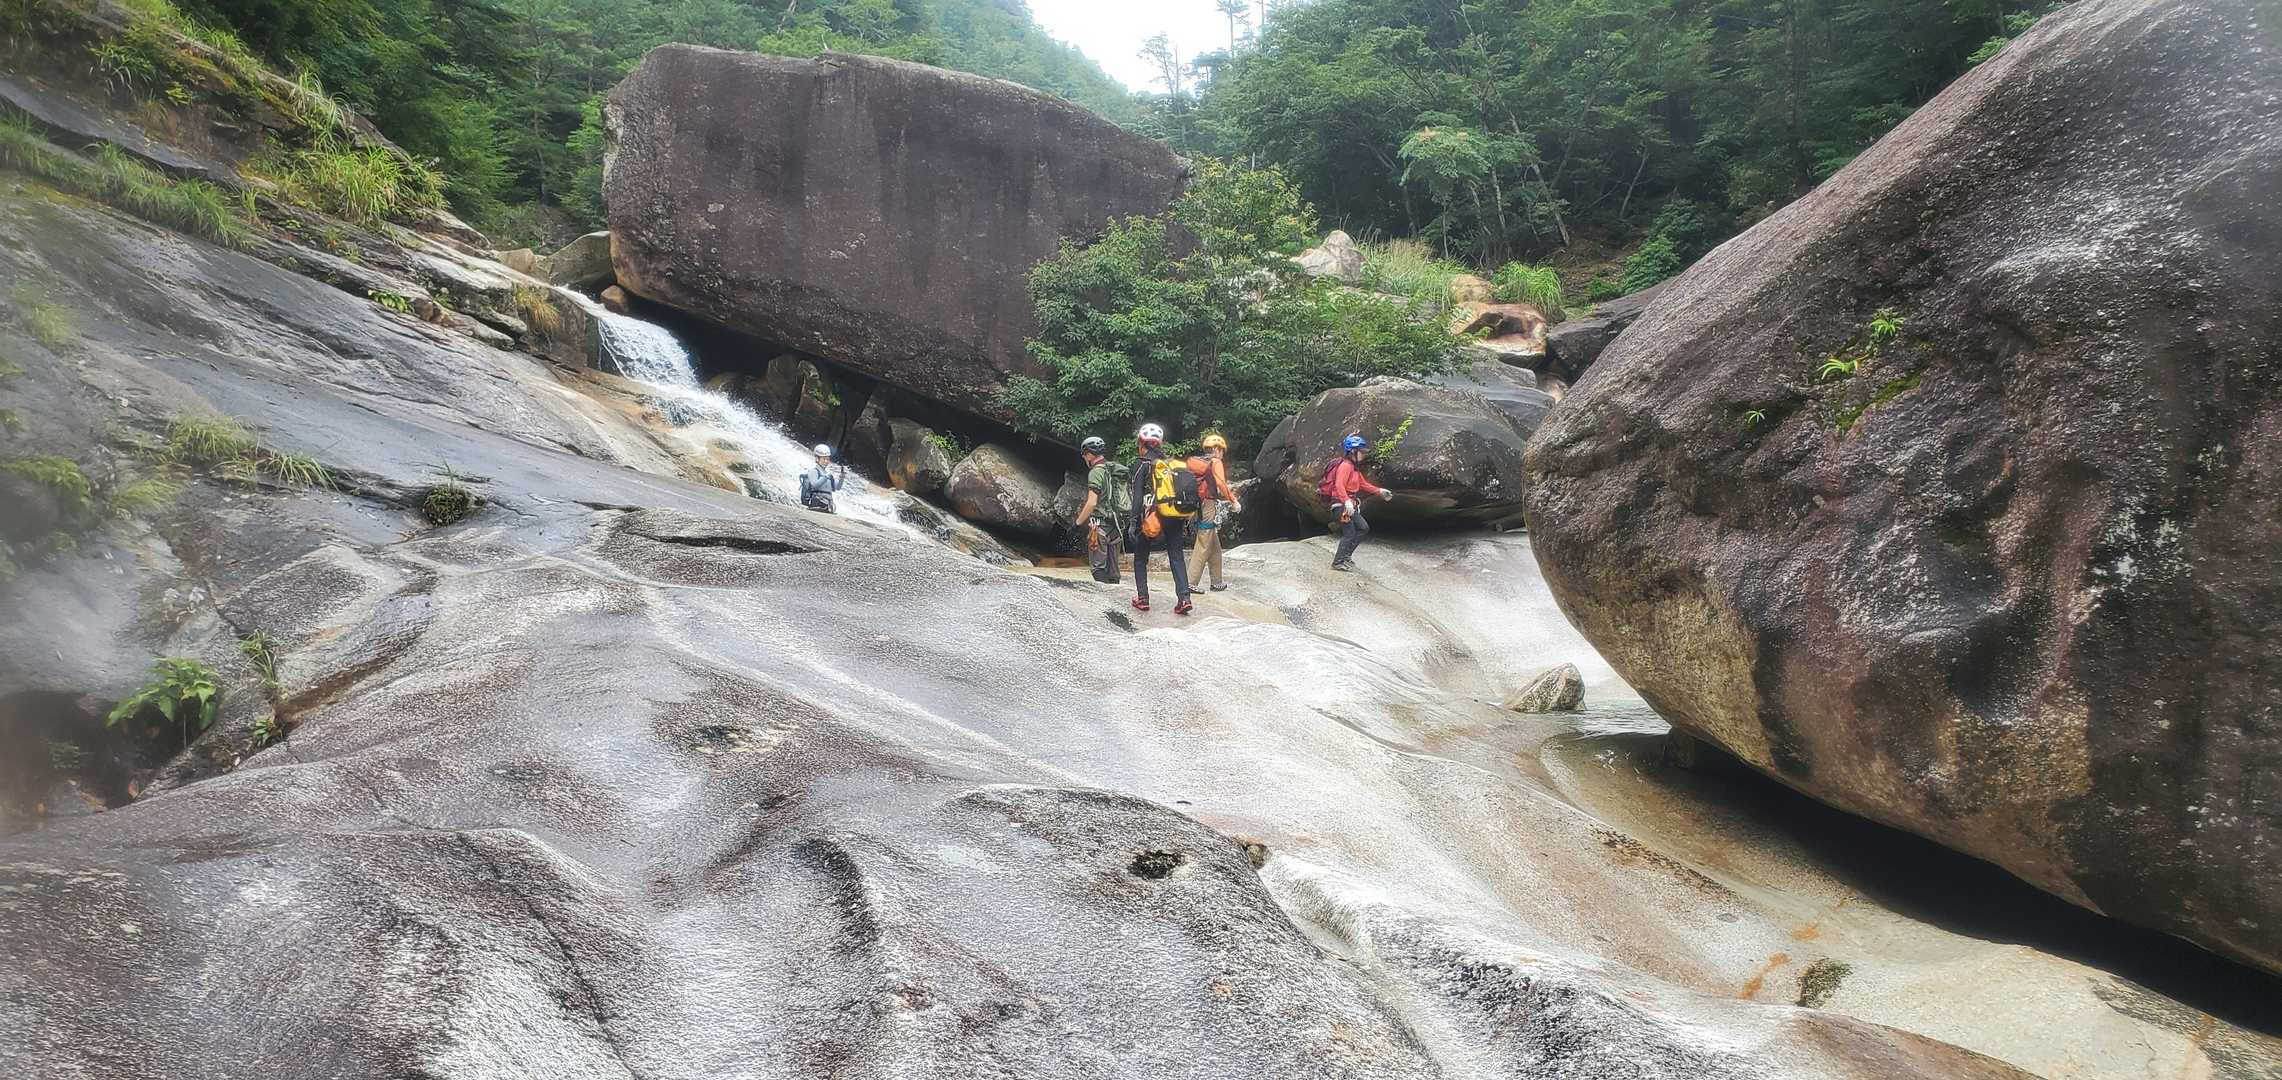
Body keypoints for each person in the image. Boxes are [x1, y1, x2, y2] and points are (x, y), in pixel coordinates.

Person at [1127, 422, 1194, 615]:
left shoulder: (1142, 464)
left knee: (1141, 557)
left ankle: (1143, 598)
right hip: (1173, 513)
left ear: (1141, 443)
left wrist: (1133, 522)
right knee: (1176, 556)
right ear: (1160, 443)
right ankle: (1184, 598)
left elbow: (1137, 497)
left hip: (1151, 516)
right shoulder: (1171, 464)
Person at [1324, 434, 1395, 572]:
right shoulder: (1345, 466)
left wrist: (1380, 491)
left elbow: (1363, 484)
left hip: (1349, 505)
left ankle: (1346, 556)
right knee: (1349, 533)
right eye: (1361, 451)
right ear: (1353, 451)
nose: (1363, 454)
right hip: (1341, 506)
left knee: (1363, 528)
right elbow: (1339, 485)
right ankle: (1338, 562)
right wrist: (1346, 501)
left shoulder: (1354, 468)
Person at [1185, 433, 1241, 592]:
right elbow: (1221, 483)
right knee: (1204, 541)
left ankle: (1216, 581)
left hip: (1198, 505)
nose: (1222, 454)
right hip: (1208, 505)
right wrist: (1233, 501)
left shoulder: (1198, 462)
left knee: (1214, 544)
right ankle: (1190, 582)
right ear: (1217, 449)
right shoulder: (1215, 462)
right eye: (1222, 450)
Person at [1071, 436, 1124, 584]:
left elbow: (1092, 502)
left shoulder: (1096, 472)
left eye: (1084, 455)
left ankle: (1102, 598)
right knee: (1113, 572)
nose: (1084, 458)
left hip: (1100, 526)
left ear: (1089, 454)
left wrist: (1077, 524)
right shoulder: (1114, 468)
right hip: (1117, 525)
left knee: (1098, 569)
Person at [798, 443, 843, 513]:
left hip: (828, 504)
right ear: (817, 458)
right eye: (824, 459)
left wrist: (842, 478)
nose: (826, 461)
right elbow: (815, 486)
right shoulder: (813, 471)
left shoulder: (827, 474)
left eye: (828, 459)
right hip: (817, 503)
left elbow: (837, 487)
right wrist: (825, 476)